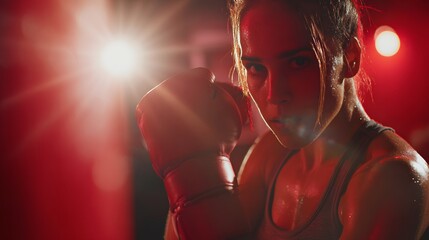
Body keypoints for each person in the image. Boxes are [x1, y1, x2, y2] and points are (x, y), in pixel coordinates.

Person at [136, 0, 429, 239]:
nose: (275, 94)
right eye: (256, 69)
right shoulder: (269, 156)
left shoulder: (393, 179)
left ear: (349, 57)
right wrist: (190, 165)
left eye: (298, 62)